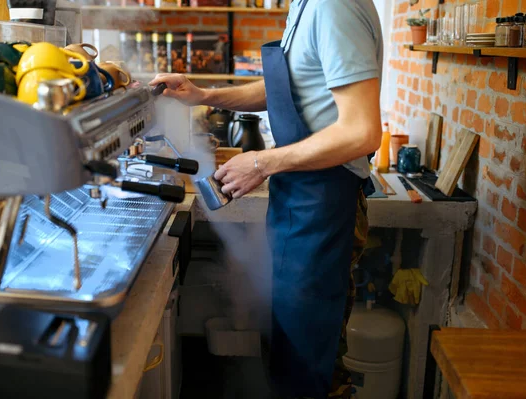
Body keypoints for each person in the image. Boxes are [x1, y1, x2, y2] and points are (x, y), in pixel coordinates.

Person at [150, 0, 383, 397]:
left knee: (311, 361)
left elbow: (361, 131)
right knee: (289, 348)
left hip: (325, 203)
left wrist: (261, 163)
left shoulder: (333, 6)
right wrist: (204, 94)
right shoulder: (304, 6)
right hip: (300, 197)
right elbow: (289, 87)